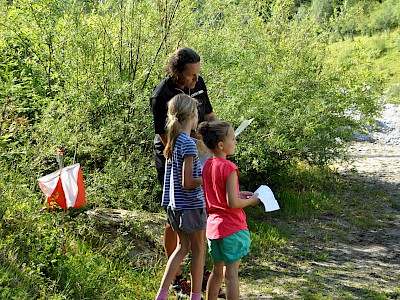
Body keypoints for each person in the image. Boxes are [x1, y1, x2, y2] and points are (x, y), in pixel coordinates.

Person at [150, 47, 219, 297]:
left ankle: (176, 286)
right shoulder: (162, 96)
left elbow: (209, 115)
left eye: (198, 74)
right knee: (187, 236)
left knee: (187, 240)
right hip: (180, 159)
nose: (196, 80)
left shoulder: (198, 82)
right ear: (177, 73)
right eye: (191, 75)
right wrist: (198, 147)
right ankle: (186, 282)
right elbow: (166, 137)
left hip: (196, 149)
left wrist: (220, 135)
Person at [197, 121, 260, 300]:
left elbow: (219, 194)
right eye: (233, 138)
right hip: (232, 227)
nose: (236, 141)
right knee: (231, 275)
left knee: (217, 272)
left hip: (214, 228)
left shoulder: (208, 165)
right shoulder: (229, 167)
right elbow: (232, 203)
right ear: (221, 145)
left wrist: (240, 194)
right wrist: (252, 201)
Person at [155, 94, 206, 300]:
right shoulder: (188, 144)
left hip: (175, 206)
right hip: (191, 205)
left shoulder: (174, 141)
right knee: (199, 251)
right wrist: (207, 176)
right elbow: (188, 182)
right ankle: (195, 296)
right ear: (192, 115)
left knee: (182, 247)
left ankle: (162, 294)